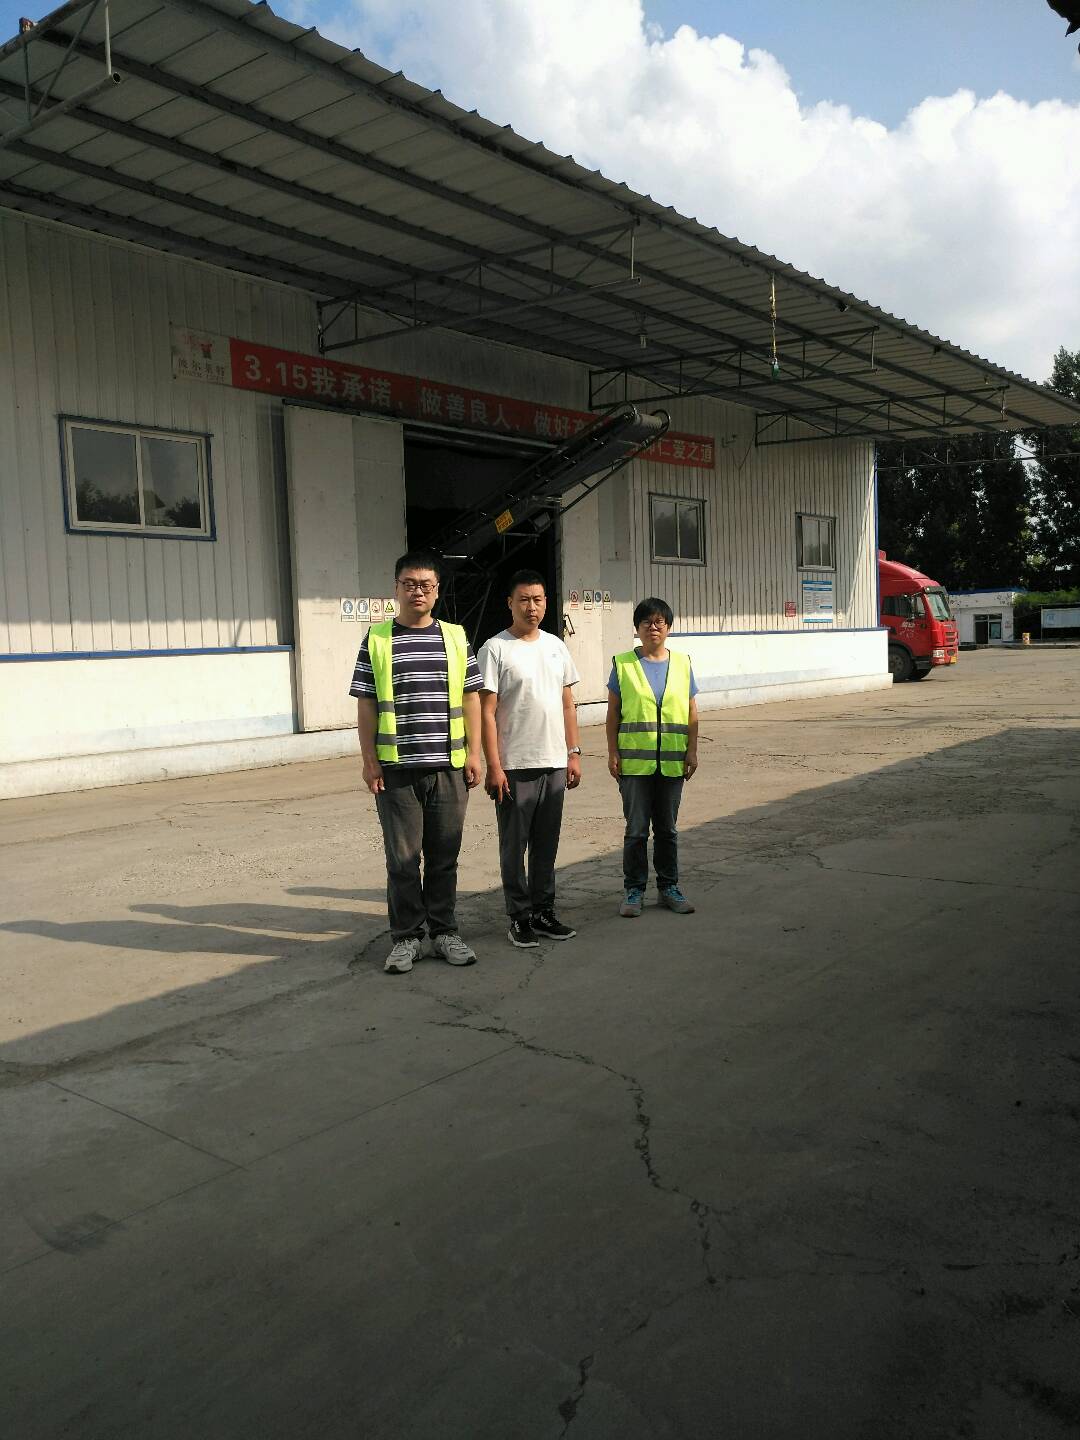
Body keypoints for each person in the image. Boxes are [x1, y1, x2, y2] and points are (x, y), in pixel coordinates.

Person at [350, 550, 484, 974]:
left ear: (437, 590)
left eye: (426, 585)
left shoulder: (456, 638)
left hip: (448, 766)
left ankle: (444, 932)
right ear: (396, 588)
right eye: (409, 584)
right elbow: (366, 703)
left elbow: (471, 697)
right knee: (403, 861)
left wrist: (475, 753)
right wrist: (369, 760)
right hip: (397, 768)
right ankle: (407, 938)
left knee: (444, 857)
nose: (417, 592)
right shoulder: (377, 639)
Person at [477, 570, 582, 949]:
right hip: (514, 766)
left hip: (554, 762)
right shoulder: (495, 649)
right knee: (514, 847)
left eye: (538, 600)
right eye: (523, 599)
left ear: (546, 603)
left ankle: (543, 912)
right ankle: (519, 917)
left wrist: (573, 753)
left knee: (546, 845)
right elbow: (486, 712)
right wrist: (494, 765)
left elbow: (567, 704)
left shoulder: (556, 646)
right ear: (510, 603)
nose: (531, 607)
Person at [606, 597, 699, 918]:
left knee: (667, 830)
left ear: (668, 627)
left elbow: (691, 712)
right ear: (637, 628)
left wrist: (692, 750)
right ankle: (634, 891)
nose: (653, 627)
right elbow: (613, 714)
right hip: (634, 764)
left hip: (672, 763)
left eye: (659, 621)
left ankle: (668, 887)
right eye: (646, 622)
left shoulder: (683, 664)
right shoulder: (623, 664)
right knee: (636, 831)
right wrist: (612, 752)